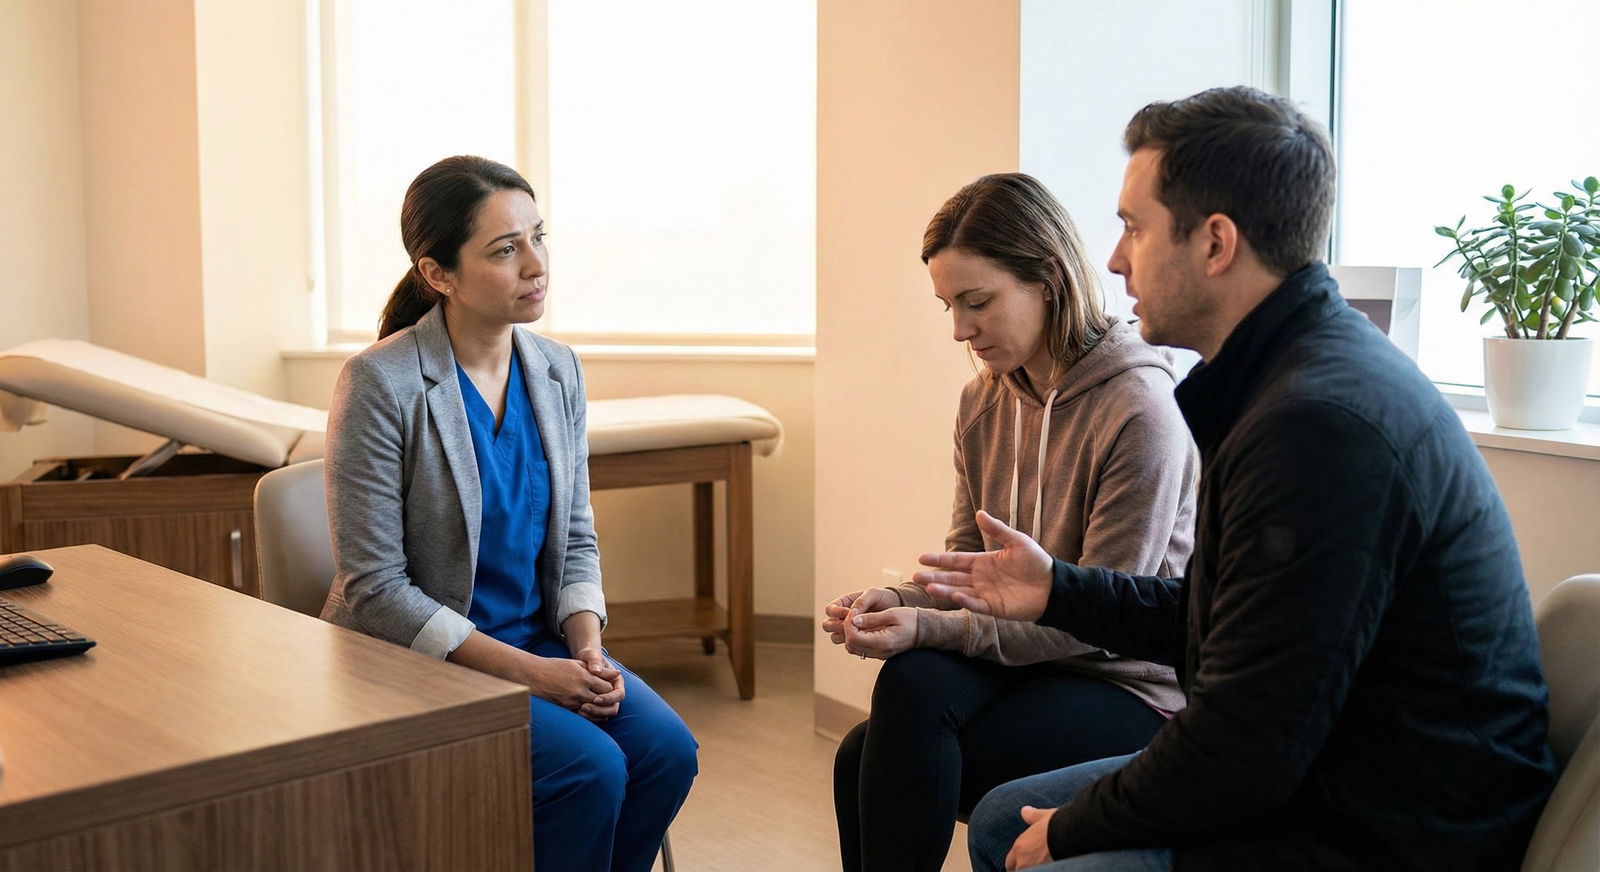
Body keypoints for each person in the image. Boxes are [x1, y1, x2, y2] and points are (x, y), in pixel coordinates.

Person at [915, 87, 1557, 872]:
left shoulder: (1318, 425)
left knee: (1035, 843)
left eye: (1134, 227)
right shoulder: (1290, 379)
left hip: (1392, 822)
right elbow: (1225, 615)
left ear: (1215, 244)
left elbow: (1248, 743)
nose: (1114, 260)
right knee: (998, 820)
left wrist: (1079, 827)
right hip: (1325, 770)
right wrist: (1057, 589)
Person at [321, 155, 697, 872]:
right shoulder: (381, 381)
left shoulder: (557, 369)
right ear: (437, 274)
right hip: (416, 662)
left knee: (665, 753)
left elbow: (577, 537)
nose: (536, 264)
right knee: (590, 769)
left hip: (541, 642)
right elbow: (373, 588)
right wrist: (531, 674)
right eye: (504, 249)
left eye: (538, 236)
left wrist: (586, 648)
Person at [823, 173, 1198, 872]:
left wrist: (928, 628)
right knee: (862, 747)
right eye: (949, 308)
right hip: (1028, 664)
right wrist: (898, 602)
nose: (962, 330)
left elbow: (1102, 618)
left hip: (1127, 685)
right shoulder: (982, 403)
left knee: (899, 703)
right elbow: (967, 562)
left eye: (978, 302)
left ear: (1048, 278)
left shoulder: (1141, 410)